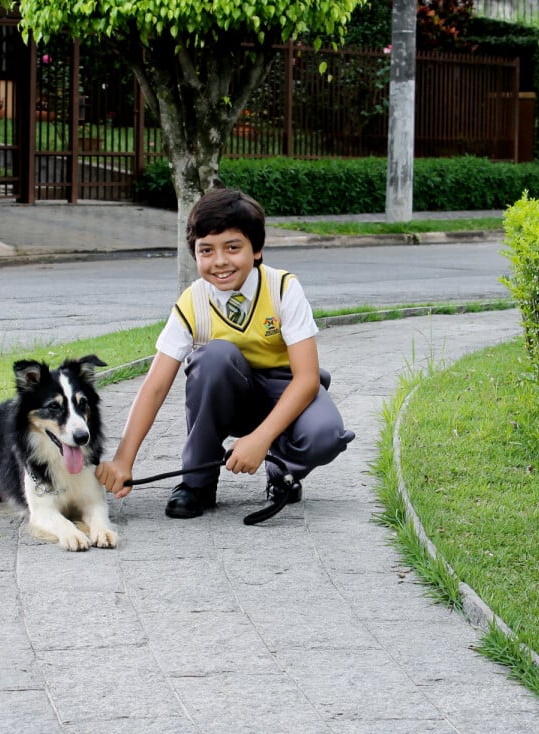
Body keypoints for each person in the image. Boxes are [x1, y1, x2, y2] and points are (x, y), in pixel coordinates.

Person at [95, 187, 354, 519]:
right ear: (196, 254)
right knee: (213, 357)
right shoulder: (193, 301)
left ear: (256, 249)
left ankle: (282, 473)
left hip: (286, 393)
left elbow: (306, 380)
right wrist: (123, 460)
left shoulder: (283, 288)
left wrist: (260, 440)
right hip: (231, 396)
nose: (220, 261)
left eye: (233, 247)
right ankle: (197, 483)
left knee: (326, 434)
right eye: (207, 250)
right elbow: (155, 386)